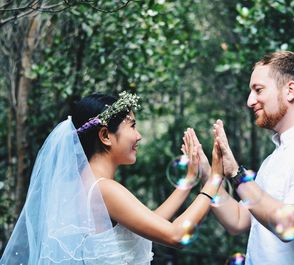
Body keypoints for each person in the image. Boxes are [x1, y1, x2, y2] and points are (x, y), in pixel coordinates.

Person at [0, 91, 224, 265]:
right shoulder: (104, 189)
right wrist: (215, 178)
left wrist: (189, 180)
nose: (139, 136)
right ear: (106, 135)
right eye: (132, 126)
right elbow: (175, 235)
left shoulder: (85, 186)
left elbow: (149, 224)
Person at [190, 51, 294, 264]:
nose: (250, 101)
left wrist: (237, 175)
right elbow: (237, 220)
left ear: (290, 91)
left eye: (258, 90)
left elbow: (290, 224)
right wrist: (208, 174)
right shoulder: (272, 160)